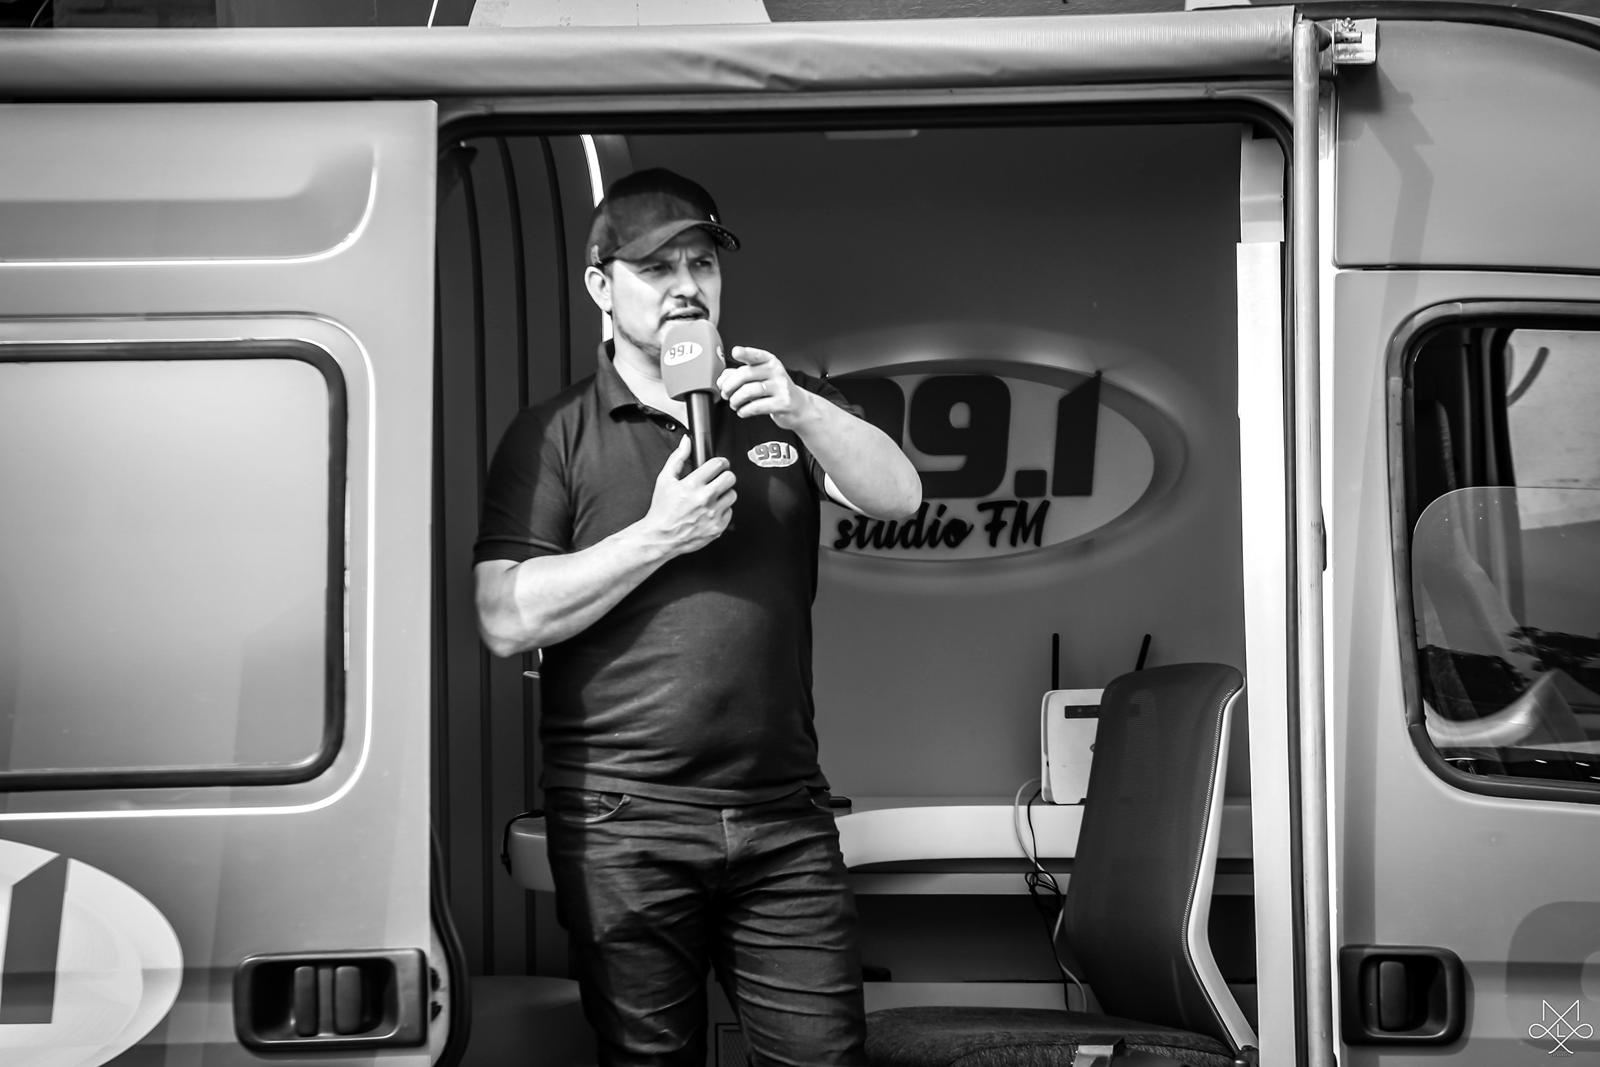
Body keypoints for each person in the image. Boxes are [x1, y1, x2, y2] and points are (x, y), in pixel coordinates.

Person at [472, 167, 921, 1066]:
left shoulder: (779, 401)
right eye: (656, 267)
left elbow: (900, 496)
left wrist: (805, 408)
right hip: (625, 820)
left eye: (702, 263)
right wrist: (655, 537)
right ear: (601, 286)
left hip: (782, 816)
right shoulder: (554, 432)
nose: (686, 285)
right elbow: (503, 616)